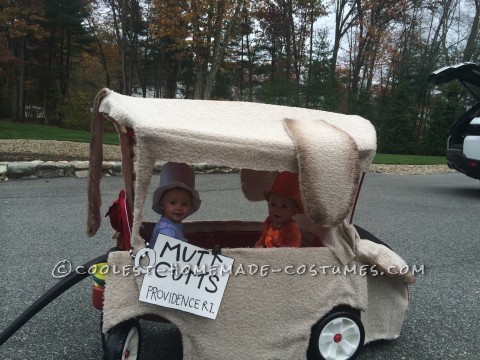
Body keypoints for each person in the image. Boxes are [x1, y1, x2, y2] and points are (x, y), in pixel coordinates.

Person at [149, 162, 201, 248]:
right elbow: (170, 256)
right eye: (173, 203)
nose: (179, 208)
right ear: (163, 205)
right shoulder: (167, 230)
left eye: (184, 204)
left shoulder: (173, 225)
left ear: (190, 206)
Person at [255, 171, 304, 248]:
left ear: (294, 211)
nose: (277, 209)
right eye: (273, 204)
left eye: (284, 206)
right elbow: (263, 237)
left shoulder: (292, 230)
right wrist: (260, 244)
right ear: (268, 205)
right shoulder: (269, 221)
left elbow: (293, 253)